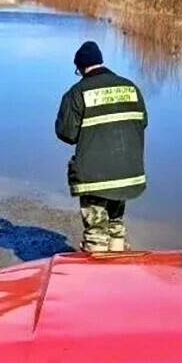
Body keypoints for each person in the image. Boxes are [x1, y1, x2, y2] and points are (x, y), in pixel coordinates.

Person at [55, 41, 148, 252]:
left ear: (80, 68)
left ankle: (97, 266)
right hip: (127, 173)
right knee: (116, 225)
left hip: (94, 176)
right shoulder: (130, 87)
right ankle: (117, 262)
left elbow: (67, 134)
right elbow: (142, 123)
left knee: (96, 230)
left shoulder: (77, 93)